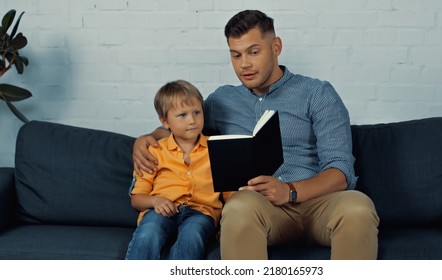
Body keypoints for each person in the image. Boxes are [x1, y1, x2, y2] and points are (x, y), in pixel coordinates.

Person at [133, 10, 379, 260]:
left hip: (319, 204)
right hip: (261, 210)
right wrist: (148, 138)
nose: (244, 64)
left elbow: (340, 171)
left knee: (358, 207)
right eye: (236, 55)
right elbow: (183, 124)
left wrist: (289, 190)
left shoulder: (317, 93)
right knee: (239, 206)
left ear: (276, 46)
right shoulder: (222, 100)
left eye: (253, 52)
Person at [125, 80, 223, 260]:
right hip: (160, 212)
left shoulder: (217, 149)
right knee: (149, 232)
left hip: (201, 213)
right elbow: (137, 199)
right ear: (165, 122)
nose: (192, 120)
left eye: (197, 112)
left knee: (192, 235)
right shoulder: (154, 151)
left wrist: (227, 225)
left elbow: (231, 193)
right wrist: (155, 201)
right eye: (182, 115)